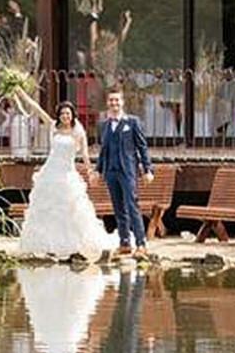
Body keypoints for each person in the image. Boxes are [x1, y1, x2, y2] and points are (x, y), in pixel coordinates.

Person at [19, 101, 118, 259]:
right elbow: (37, 109)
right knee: (48, 208)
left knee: (70, 208)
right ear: (59, 116)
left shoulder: (78, 131)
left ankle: (71, 245)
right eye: (62, 113)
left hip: (67, 173)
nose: (65, 116)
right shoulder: (54, 127)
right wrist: (20, 92)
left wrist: (90, 171)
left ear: (72, 115)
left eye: (68, 113)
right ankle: (47, 244)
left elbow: (85, 154)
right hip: (50, 172)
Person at [92, 90, 154, 258]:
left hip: (128, 171)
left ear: (122, 102)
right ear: (107, 103)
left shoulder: (132, 122)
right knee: (118, 207)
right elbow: (103, 151)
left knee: (132, 204)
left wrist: (147, 169)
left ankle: (141, 243)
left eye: (117, 100)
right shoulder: (104, 125)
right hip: (111, 171)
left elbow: (142, 147)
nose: (114, 103)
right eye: (111, 100)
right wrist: (98, 170)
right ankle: (124, 242)